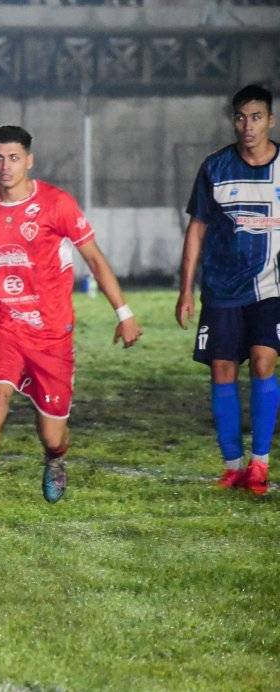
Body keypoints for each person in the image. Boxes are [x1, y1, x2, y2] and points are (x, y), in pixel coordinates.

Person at [0, 125, 141, 513]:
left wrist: (124, 313)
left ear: (29, 160)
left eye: (13, 158)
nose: (5, 166)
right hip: (3, 326)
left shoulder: (56, 204)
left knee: (52, 436)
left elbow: (94, 258)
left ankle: (55, 459)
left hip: (51, 334)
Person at [176, 83, 279, 496]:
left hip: (271, 286)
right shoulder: (215, 167)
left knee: (263, 361)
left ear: (270, 120)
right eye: (240, 117)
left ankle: (259, 464)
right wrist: (185, 289)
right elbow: (197, 228)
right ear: (233, 121)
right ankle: (233, 466)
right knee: (222, 369)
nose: (248, 125)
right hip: (221, 287)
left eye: (256, 117)